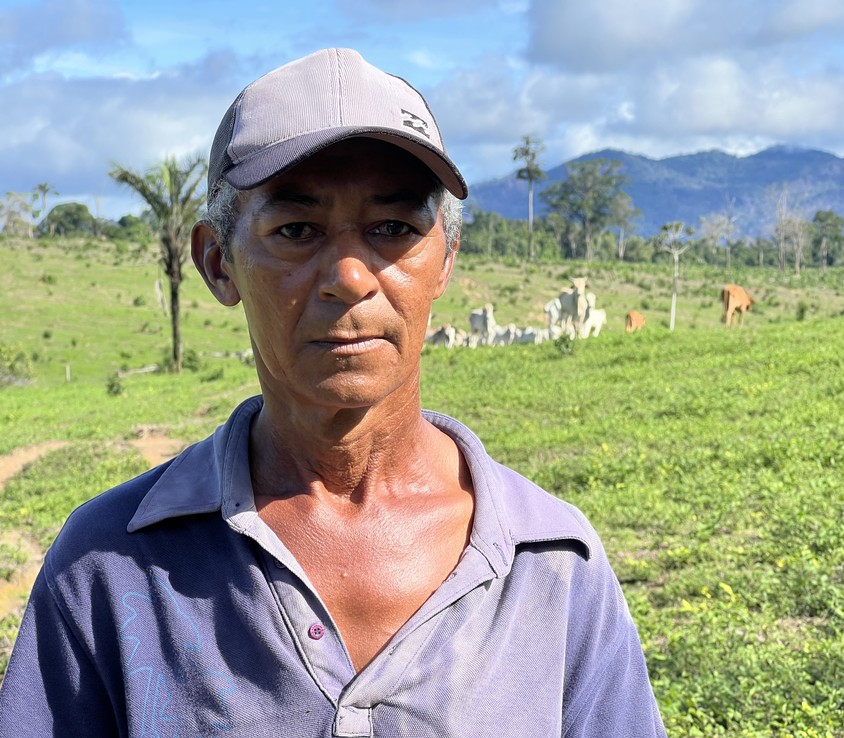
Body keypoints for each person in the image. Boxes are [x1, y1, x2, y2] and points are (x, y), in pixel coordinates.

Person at [0, 48, 666, 737]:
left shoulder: (552, 565)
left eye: (394, 229)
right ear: (217, 262)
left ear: (446, 260)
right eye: (296, 230)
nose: (350, 276)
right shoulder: (108, 565)